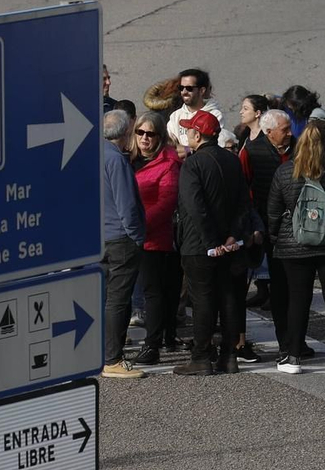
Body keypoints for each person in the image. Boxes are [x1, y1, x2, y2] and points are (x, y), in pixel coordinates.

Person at [265, 121, 325, 375]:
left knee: (298, 300)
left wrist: (277, 237)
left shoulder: (286, 172)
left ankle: (294, 356)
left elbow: (274, 211)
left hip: (295, 243)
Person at [176, 110, 251, 375]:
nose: (186, 134)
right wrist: (231, 235)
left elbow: (195, 207)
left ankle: (201, 357)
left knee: (203, 300)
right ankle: (229, 356)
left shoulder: (193, 164)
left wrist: (212, 241)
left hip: (200, 246)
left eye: (188, 131)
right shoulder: (232, 161)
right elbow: (244, 202)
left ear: (198, 135)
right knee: (229, 297)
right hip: (230, 245)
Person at [242, 106, 295, 355]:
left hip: (292, 229)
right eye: (285, 130)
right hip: (264, 226)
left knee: (287, 287)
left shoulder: (296, 148)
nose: (290, 134)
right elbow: (243, 191)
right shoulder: (252, 152)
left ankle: (291, 342)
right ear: (269, 131)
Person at [131, 112, 181, 365]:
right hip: (125, 236)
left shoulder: (168, 164)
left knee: (153, 292)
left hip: (153, 238)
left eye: (150, 134)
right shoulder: (126, 160)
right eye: (140, 133)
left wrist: (137, 226)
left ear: (160, 137)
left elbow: (166, 203)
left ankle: (152, 345)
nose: (144, 138)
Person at [102, 109, 146, 377]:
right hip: (120, 237)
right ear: (126, 132)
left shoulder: (90, 155)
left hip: (98, 238)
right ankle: (113, 359)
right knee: (118, 299)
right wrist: (137, 235)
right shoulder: (116, 160)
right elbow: (127, 205)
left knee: (105, 297)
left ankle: (105, 350)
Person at [167, 69, 223, 149]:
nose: (184, 92)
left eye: (189, 88)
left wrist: (187, 150)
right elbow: (169, 143)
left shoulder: (215, 115)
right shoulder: (175, 116)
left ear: (201, 91)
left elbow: (216, 145)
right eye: (181, 87)